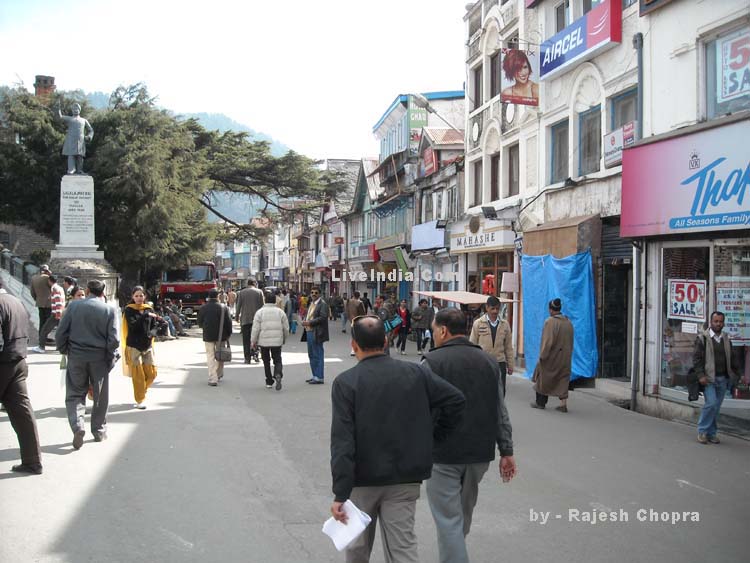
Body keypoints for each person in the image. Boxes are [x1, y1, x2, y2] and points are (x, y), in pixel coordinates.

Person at [330, 316, 466, 563]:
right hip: (405, 478)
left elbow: (342, 442)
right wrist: (433, 437)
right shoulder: (415, 372)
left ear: (353, 345)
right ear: (385, 341)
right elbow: (456, 400)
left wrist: (340, 493)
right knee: (402, 550)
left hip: (362, 480)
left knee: (357, 550)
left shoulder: (346, 383)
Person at [422, 308, 516, 563]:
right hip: (479, 454)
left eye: (433, 330)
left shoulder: (431, 362)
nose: (433, 334)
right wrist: (506, 450)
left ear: (443, 330)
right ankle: (455, 552)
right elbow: (500, 409)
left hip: (444, 454)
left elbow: (421, 412)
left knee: (449, 520)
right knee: (461, 517)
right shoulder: (487, 361)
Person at [55, 280, 119, 448]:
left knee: (75, 393)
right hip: (99, 358)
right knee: (100, 396)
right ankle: (98, 430)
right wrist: (109, 357)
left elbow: (61, 332)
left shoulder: (74, 307)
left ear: (88, 290)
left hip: (76, 356)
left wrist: (64, 350)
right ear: (102, 292)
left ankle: (77, 426)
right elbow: (114, 340)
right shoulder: (109, 310)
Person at [0, 279, 43, 475]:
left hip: (3, 361)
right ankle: (32, 460)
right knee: (22, 413)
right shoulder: (15, 301)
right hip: (18, 360)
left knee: (22, 412)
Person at [692, 311, 740, 444]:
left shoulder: (726, 338)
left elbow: (733, 358)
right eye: (716, 321)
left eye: (720, 322)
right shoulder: (703, 338)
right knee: (711, 404)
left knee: (716, 408)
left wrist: (736, 375)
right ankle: (702, 431)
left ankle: (711, 433)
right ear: (711, 322)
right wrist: (701, 375)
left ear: (723, 323)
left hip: (723, 378)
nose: (718, 324)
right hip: (709, 379)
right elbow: (696, 359)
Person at [531, 298, 574, 412]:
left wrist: (542, 356)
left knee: (542, 378)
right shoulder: (568, 322)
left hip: (552, 357)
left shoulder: (550, 322)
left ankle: (540, 402)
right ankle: (563, 404)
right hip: (565, 358)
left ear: (550, 310)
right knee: (563, 379)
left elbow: (547, 342)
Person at [122, 286, 159, 410]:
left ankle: (141, 391)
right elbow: (133, 326)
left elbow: (154, 325)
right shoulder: (129, 310)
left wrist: (152, 333)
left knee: (152, 373)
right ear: (133, 297)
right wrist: (144, 316)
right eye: (136, 296)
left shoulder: (148, 309)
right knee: (138, 375)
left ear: (145, 296)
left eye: (141, 295)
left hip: (147, 345)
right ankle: (140, 399)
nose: (139, 298)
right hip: (134, 345)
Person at [470, 296, 514, 396]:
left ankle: (499, 411)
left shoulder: (505, 324)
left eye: (497, 309)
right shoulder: (478, 323)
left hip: (500, 363)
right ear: (487, 308)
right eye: (492, 308)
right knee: (484, 390)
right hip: (483, 363)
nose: (495, 311)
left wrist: (510, 365)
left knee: (500, 391)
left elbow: (508, 347)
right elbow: (472, 345)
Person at [251, 291, 290, 390]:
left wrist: (253, 341)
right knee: (277, 359)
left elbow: (255, 328)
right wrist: (284, 338)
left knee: (266, 360)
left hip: (263, 341)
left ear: (265, 301)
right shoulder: (280, 312)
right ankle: (278, 374)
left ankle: (269, 380)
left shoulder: (259, 312)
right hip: (277, 341)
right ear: (275, 301)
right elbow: (286, 328)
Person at [197, 289, 233, 386]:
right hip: (221, 336)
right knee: (220, 355)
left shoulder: (203, 307)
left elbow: (199, 322)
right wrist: (229, 333)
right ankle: (219, 374)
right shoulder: (223, 307)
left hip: (208, 335)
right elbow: (228, 323)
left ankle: (213, 378)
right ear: (218, 296)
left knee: (210, 356)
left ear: (208, 297)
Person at [301, 286, 329, 384]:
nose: (313, 294)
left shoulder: (323, 304)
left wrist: (309, 323)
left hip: (317, 332)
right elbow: (310, 315)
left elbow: (323, 317)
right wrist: (305, 320)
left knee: (318, 354)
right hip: (309, 331)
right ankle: (315, 375)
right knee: (311, 354)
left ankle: (319, 376)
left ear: (319, 294)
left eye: (316, 293)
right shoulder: (311, 303)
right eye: (312, 292)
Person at [58, 102, 94, 175]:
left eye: (77, 108)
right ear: (72, 110)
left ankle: (79, 170)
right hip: (71, 140)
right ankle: (71, 169)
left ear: (79, 110)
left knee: (80, 156)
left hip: (81, 140)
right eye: (74, 108)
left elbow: (91, 130)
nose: (75, 110)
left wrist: (89, 136)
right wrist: (58, 109)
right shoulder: (70, 119)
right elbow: (60, 117)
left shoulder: (84, 120)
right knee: (71, 155)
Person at [235, 279, 264, 364]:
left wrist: (236, 317)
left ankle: (247, 358)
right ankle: (256, 354)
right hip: (257, 320)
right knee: (256, 338)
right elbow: (262, 306)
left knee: (246, 339)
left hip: (245, 319)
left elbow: (238, 306)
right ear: (254, 283)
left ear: (247, 284)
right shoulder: (259, 292)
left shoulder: (242, 292)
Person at [35, 274, 66, 353]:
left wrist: (57, 314)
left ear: (49, 281)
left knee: (44, 330)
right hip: (60, 313)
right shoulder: (59, 288)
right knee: (60, 331)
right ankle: (60, 347)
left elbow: (58, 302)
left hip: (56, 313)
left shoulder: (54, 289)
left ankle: (41, 347)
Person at [29, 264, 51, 353]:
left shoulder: (34, 278)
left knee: (42, 321)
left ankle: (41, 338)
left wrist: (37, 299)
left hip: (40, 303)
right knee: (49, 322)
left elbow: (32, 292)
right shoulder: (48, 278)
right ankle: (44, 339)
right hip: (49, 303)